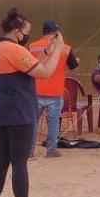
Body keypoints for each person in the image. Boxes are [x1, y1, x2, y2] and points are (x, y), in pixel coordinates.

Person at [0, 8, 65, 197]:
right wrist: (58, 50)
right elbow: (45, 73)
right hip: (19, 113)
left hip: (0, 112)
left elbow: (29, 66)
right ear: (17, 31)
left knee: (1, 160)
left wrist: (47, 51)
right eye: (26, 32)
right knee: (19, 162)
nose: (27, 35)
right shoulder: (14, 50)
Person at [29, 20, 80, 158]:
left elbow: (28, 66)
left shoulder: (32, 47)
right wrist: (77, 62)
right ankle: (51, 150)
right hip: (55, 92)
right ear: (57, 33)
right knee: (53, 122)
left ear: (43, 31)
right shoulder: (66, 48)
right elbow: (75, 68)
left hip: (35, 91)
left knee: (32, 122)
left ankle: (29, 151)